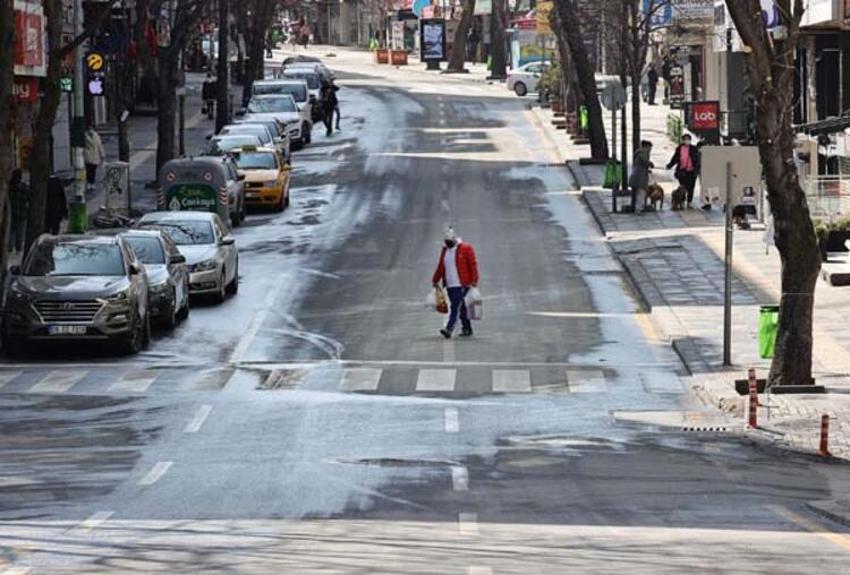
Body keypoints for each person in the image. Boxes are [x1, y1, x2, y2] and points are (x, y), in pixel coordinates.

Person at [432, 228, 479, 339]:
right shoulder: (445, 251)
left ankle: (449, 328)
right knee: (462, 307)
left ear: (454, 240)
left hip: (462, 284)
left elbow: (472, 264)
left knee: (455, 306)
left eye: (449, 242)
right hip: (450, 285)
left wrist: (474, 280)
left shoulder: (465, 249)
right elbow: (440, 266)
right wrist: (435, 279)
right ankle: (467, 328)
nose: (447, 244)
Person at [666, 134, 701, 209]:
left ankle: (689, 202)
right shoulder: (679, 148)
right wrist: (670, 165)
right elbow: (675, 158)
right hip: (682, 171)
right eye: (685, 139)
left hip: (691, 171)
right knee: (682, 188)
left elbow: (697, 160)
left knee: (691, 187)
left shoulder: (693, 149)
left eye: (688, 139)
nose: (687, 141)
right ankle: (681, 202)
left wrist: (697, 169)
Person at [629, 140, 654, 213]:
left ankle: (637, 207)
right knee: (641, 192)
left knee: (638, 192)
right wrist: (650, 164)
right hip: (640, 176)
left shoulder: (639, 152)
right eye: (650, 148)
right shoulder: (643, 153)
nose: (650, 150)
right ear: (647, 147)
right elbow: (645, 161)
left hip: (637, 174)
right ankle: (638, 208)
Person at [8, 169, 28, 254]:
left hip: (12, 212)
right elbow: (28, 198)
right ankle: (18, 249)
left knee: (12, 231)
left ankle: (10, 247)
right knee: (19, 232)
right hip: (21, 213)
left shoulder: (10, 187)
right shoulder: (23, 187)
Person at [83, 125, 106, 193]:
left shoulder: (97, 136)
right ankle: (89, 183)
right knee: (88, 170)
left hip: (95, 156)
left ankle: (91, 183)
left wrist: (102, 155)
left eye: (92, 129)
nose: (91, 130)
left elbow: (100, 146)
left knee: (93, 170)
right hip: (88, 155)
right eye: (89, 129)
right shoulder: (85, 136)